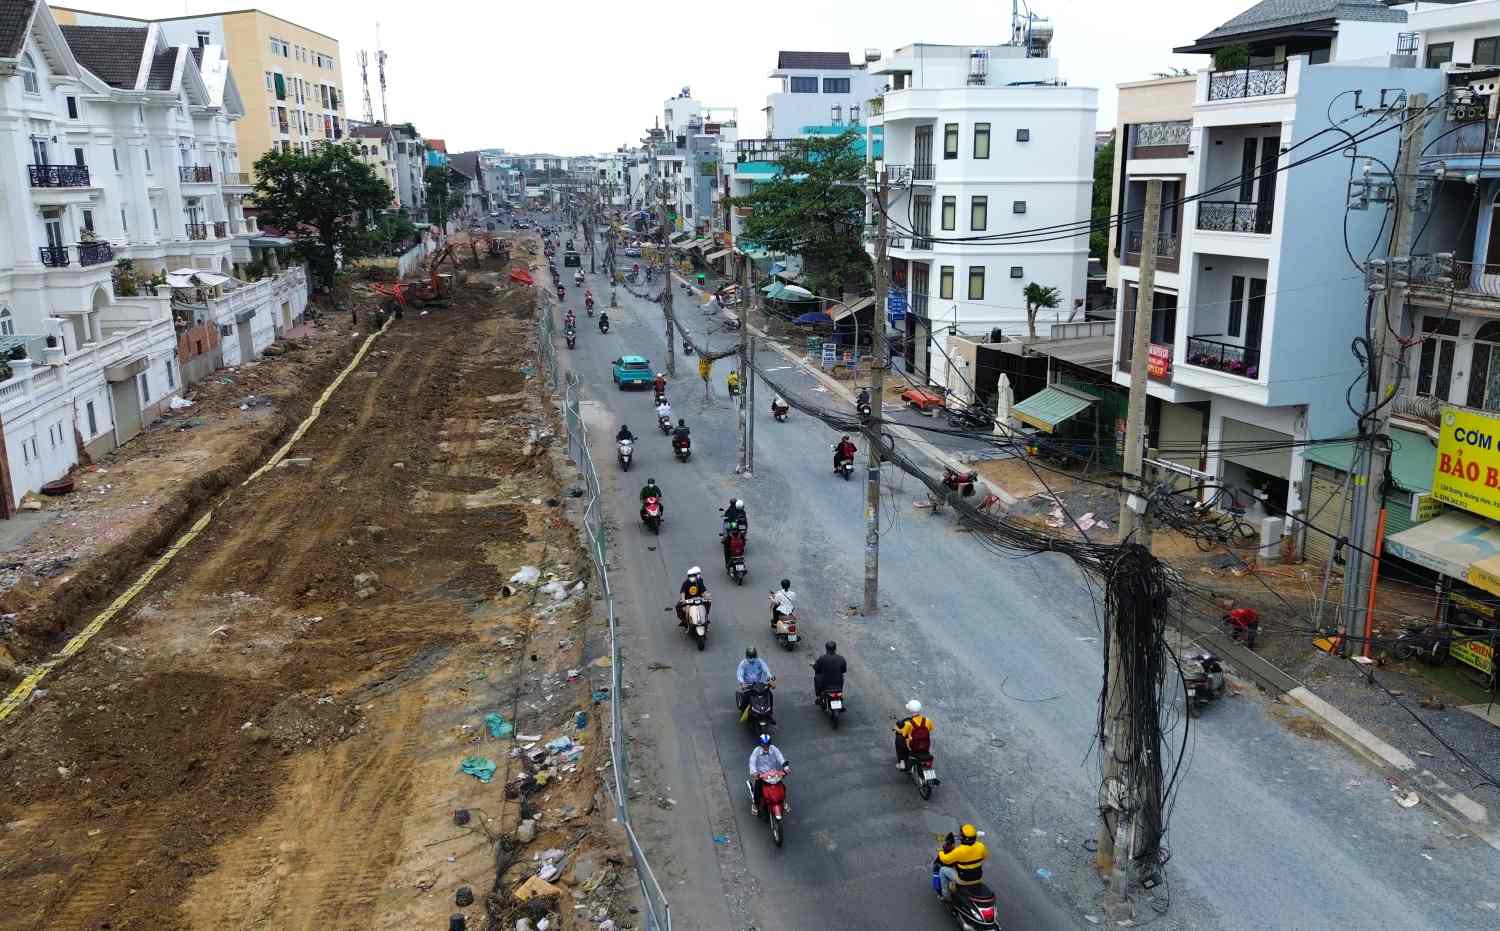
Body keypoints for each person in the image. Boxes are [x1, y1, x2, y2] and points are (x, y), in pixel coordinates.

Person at [936, 824, 988, 902]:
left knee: (942, 870)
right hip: (978, 878)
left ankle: (946, 896)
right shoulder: (981, 846)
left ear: (963, 838)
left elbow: (945, 860)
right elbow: (984, 857)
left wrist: (940, 852)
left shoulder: (959, 851)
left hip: (963, 880)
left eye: (961, 835)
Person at [748, 733, 788, 816]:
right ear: (761, 744)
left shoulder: (773, 749)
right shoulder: (756, 751)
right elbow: (752, 762)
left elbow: (780, 756)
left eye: (767, 745)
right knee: (758, 791)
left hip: (773, 775)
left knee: (782, 787)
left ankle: (783, 801)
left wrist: (785, 767)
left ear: (770, 744)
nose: (766, 747)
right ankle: (755, 805)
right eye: (764, 745)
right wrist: (754, 772)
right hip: (762, 776)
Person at [893, 699, 934, 771]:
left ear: (910, 710)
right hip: (925, 746)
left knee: (899, 739)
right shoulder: (927, 720)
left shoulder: (908, 724)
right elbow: (930, 729)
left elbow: (903, 733)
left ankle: (902, 762)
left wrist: (895, 728)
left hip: (913, 746)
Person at [736, 646, 774, 714]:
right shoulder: (743, 664)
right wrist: (742, 683)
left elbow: (766, 670)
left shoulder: (759, 661)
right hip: (749, 686)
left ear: (755, 655)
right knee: (745, 700)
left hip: (760, 685)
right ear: (747, 656)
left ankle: (770, 712)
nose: (752, 658)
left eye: (753, 656)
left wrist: (770, 679)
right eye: (750, 656)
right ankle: (744, 712)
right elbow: (739, 674)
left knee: (770, 695)